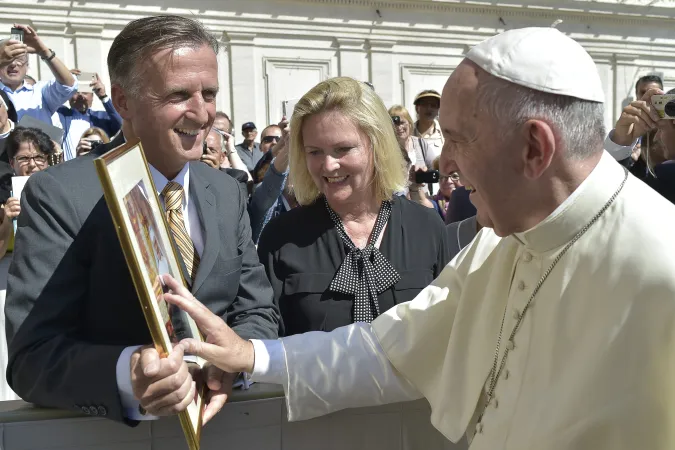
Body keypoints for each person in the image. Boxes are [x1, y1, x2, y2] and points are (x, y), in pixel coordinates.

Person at [163, 27, 675, 449]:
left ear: (534, 148)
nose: (443, 164)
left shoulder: (661, 264)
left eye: (457, 139)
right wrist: (254, 355)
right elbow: (389, 351)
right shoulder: (500, 244)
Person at [5, 15, 279, 426]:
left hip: (226, 424)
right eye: (178, 94)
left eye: (209, 93)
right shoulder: (61, 196)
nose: (201, 113)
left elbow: (259, 309)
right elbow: (33, 356)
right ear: (123, 101)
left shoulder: (224, 191)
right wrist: (128, 373)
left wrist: (233, 358)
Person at [256, 77, 451, 335]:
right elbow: (267, 340)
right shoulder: (282, 239)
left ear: (377, 146)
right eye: (314, 152)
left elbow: (449, 331)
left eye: (343, 149)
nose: (328, 166)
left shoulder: (426, 228)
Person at [0, 126, 56, 402]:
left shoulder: (61, 190)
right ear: (12, 163)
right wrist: (5, 223)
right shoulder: (5, 199)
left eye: (38, 157)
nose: (32, 164)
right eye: (24, 158)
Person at [0, 24, 77, 125]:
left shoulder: (40, 92)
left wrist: (44, 51)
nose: (13, 64)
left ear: (27, 65)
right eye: (8, 59)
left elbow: (68, 85)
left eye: (19, 59)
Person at [57, 72, 122, 160]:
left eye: (85, 92)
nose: (80, 96)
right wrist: (63, 80)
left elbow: (121, 125)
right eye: (76, 92)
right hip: (69, 169)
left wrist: (103, 96)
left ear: (92, 96)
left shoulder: (101, 117)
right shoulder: (61, 114)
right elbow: (47, 102)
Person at [388, 105, 432, 169]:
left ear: (410, 124)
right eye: (395, 123)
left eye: (402, 122)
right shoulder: (385, 148)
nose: (399, 127)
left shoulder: (421, 143)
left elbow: (434, 166)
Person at [412, 89, 444, 162]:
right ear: (417, 108)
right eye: (425, 104)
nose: (429, 108)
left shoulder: (445, 134)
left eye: (433, 105)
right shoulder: (408, 132)